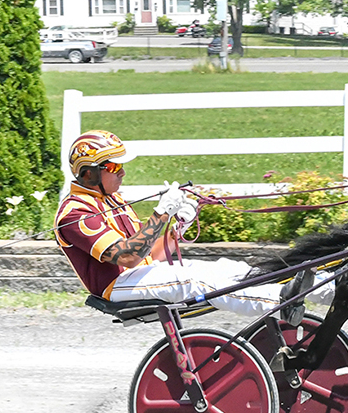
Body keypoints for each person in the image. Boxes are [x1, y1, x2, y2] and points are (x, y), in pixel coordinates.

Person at [54, 129, 311, 323]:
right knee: (191, 280)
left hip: (140, 276)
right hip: (116, 287)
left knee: (228, 269)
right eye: (114, 166)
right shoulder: (74, 212)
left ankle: (326, 288)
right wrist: (162, 212)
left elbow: (151, 255)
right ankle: (280, 302)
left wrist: (177, 226)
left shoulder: (114, 200)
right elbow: (128, 256)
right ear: (89, 173)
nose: (122, 172)